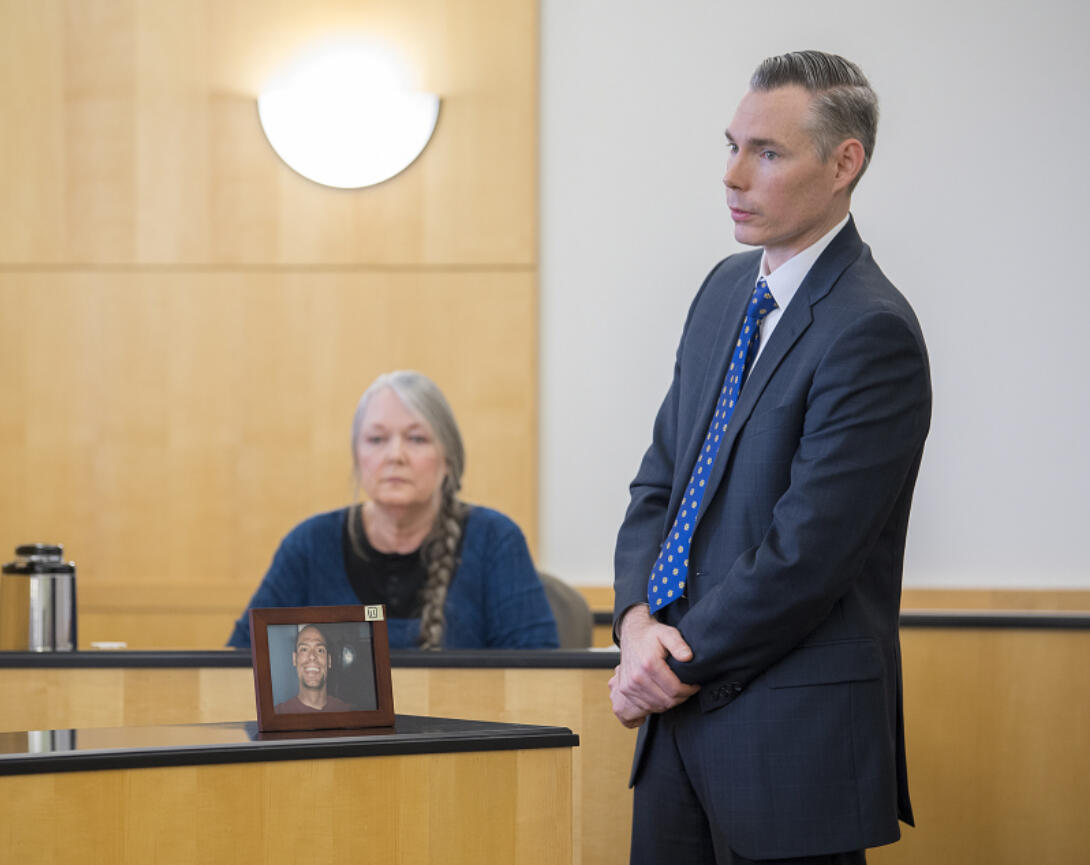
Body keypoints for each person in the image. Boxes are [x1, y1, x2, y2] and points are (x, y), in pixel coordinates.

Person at [608, 51, 931, 865]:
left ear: (843, 162)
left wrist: (672, 663)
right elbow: (661, 486)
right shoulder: (723, 290)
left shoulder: (871, 330)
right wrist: (636, 623)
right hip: (674, 730)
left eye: (768, 152)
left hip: (791, 745)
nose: (733, 176)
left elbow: (807, 554)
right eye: (731, 145)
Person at [228, 370, 559, 650]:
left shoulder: (495, 541)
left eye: (416, 439)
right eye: (376, 439)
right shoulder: (310, 545)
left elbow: (535, 678)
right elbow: (240, 664)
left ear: (448, 460)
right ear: (358, 457)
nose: (395, 455)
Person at [274, 625, 353, 713]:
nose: (312, 656)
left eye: (320, 650)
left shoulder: (347, 712)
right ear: (294, 659)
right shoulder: (279, 714)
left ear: (329, 661)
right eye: (304, 649)